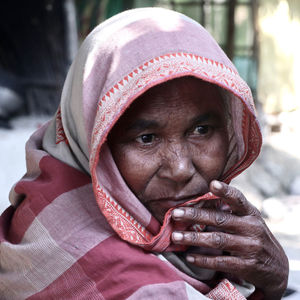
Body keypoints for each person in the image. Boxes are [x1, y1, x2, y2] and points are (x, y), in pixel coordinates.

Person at [0, 7, 288, 300]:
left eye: (201, 130)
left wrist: (272, 274)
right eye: (147, 138)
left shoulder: (210, 236)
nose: (180, 168)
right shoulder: (85, 260)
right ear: (94, 141)